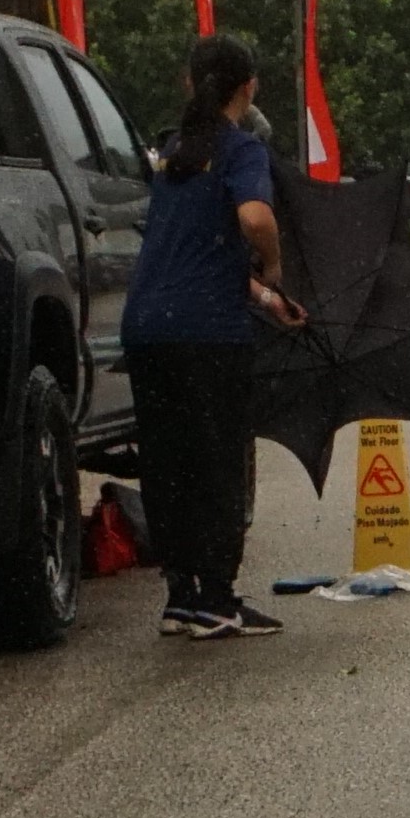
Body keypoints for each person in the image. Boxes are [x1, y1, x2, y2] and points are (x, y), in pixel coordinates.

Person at [123, 33, 303, 638]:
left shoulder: (173, 151)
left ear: (188, 82)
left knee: (168, 464)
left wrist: (266, 300)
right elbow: (254, 217)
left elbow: (192, 251)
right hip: (209, 334)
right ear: (249, 88)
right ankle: (220, 600)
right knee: (219, 463)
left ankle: (180, 597)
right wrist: (273, 266)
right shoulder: (240, 149)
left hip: (148, 329)